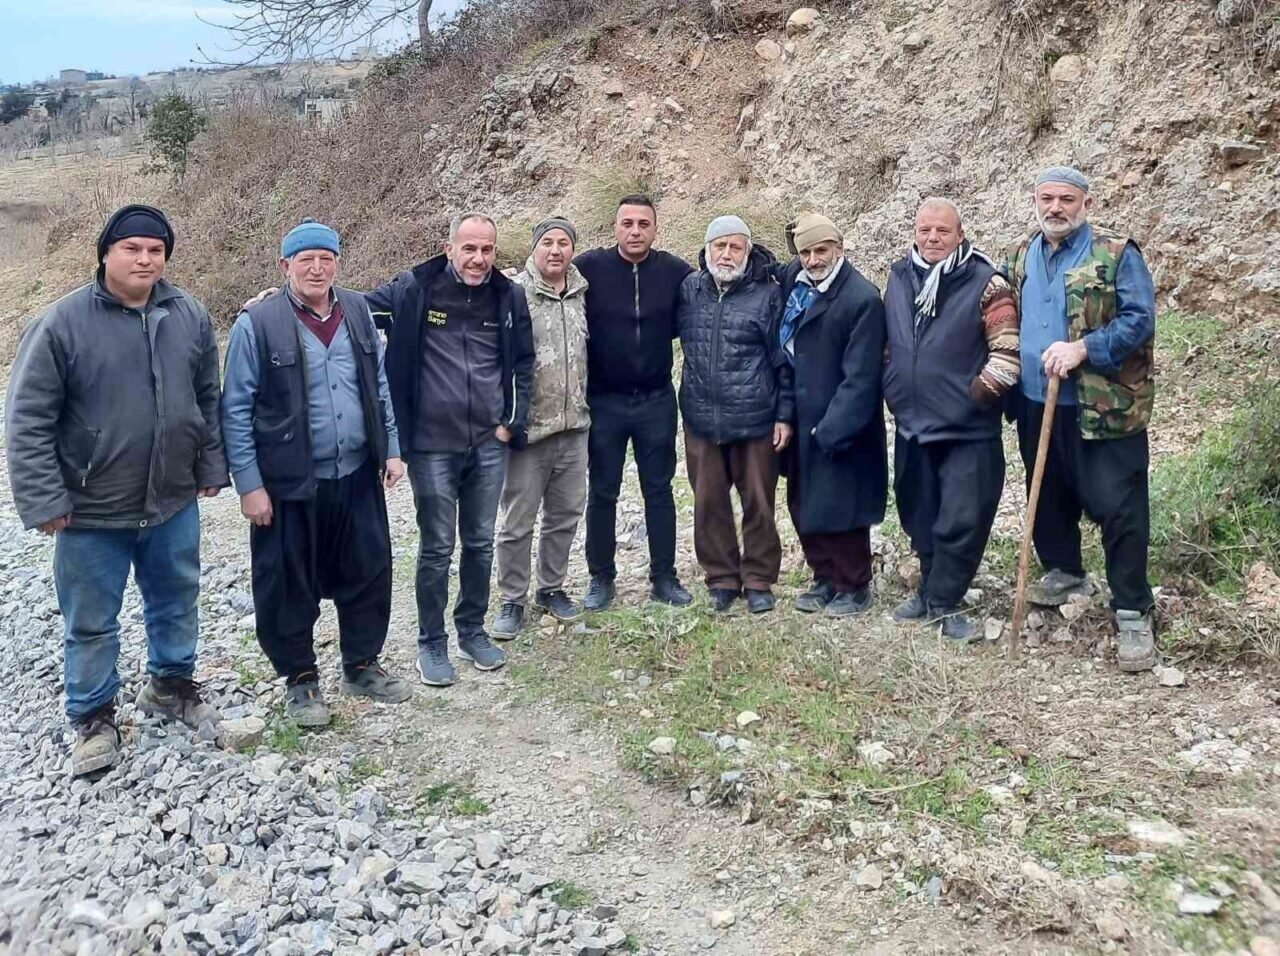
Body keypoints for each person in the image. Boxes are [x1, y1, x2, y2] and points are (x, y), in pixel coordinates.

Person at [5, 204, 228, 776]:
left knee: (177, 598)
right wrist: (44, 499)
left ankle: (171, 685)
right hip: (90, 510)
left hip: (172, 500)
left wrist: (210, 465)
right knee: (91, 619)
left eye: (156, 250)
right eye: (132, 249)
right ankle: (93, 717)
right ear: (106, 253)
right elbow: (27, 419)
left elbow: (208, 397)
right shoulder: (61, 324)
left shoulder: (189, 315)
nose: (145, 259)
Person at [221, 220, 411, 727]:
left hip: (357, 473)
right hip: (287, 482)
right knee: (287, 581)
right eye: (305, 259)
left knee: (368, 571)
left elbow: (379, 386)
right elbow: (235, 409)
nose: (316, 268)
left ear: (337, 263)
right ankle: (300, 679)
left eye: (326, 258)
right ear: (285, 265)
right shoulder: (256, 324)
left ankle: (362, 665)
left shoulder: (358, 311)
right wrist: (249, 485)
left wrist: (391, 448)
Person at [367, 213, 535, 686]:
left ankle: (471, 631)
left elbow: (524, 362)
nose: (479, 259)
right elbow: (353, 308)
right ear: (449, 249)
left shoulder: (507, 296)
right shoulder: (415, 289)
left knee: (479, 542)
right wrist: (287, 298)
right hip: (431, 446)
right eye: (469, 249)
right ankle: (431, 642)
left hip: (488, 444)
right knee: (437, 545)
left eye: (487, 250)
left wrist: (511, 424)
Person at [1005, 166, 1158, 672]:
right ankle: (1065, 570)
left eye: (1066, 199)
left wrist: (1084, 348)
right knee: (1048, 493)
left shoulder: (1116, 253)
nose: (1056, 208)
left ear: (1085, 204)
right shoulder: (1021, 254)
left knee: (1119, 505)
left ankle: (1132, 609)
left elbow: (1139, 320)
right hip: (1036, 401)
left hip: (1104, 406)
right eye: (1047, 198)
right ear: (1035, 201)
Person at [883, 198, 1021, 641]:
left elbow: (1008, 353)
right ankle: (928, 589)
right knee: (918, 513)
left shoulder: (987, 283)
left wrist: (973, 397)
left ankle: (945, 601)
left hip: (968, 429)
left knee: (962, 520)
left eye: (942, 231)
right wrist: (893, 386)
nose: (932, 238)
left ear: (960, 235)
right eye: (924, 230)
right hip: (913, 425)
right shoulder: (899, 277)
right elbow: (888, 345)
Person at [574, 195, 695, 611]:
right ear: (615, 228)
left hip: (656, 399)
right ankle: (600, 577)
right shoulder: (589, 268)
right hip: (604, 401)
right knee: (602, 490)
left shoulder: (674, 272)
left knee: (659, 490)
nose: (635, 231)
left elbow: (712, 287)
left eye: (644, 223)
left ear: (655, 229)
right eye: (627, 223)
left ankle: (664, 577)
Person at [676, 215, 794, 614]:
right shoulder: (690, 289)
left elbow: (783, 360)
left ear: (748, 251)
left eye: (735, 247)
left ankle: (758, 579)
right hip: (701, 418)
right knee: (709, 502)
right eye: (720, 246)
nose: (726, 255)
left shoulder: (768, 295)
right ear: (707, 249)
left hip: (755, 418)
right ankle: (722, 578)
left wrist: (784, 414)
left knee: (759, 502)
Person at [778, 214, 888, 615]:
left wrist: (831, 430)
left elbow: (862, 377)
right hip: (801, 414)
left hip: (842, 423)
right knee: (804, 502)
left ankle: (854, 585)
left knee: (843, 506)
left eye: (821, 250)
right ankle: (823, 576)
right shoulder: (798, 287)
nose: (813, 260)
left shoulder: (861, 298)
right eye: (805, 252)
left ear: (839, 248)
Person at [492, 217, 591, 636]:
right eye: (547, 242)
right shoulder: (514, 294)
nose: (555, 250)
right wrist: (503, 419)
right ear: (535, 248)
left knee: (564, 515)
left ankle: (551, 587)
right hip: (528, 432)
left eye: (563, 242)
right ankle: (511, 598)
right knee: (518, 521)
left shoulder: (582, 293)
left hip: (575, 426)